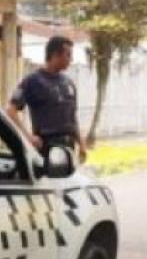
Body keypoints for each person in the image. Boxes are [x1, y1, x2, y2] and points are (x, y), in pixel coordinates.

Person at [5, 35, 88, 163]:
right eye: (68, 55)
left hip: (68, 147)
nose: (71, 59)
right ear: (55, 55)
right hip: (47, 147)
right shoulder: (33, 81)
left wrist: (81, 143)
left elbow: (72, 117)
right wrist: (28, 137)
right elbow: (11, 110)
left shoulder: (68, 83)